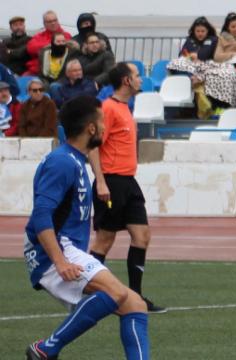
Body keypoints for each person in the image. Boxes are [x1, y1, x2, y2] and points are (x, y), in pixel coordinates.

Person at [23, 95, 150, 360]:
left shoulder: (75, 160)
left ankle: (46, 349)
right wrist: (59, 261)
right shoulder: (62, 162)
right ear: (91, 128)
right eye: (102, 121)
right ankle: (46, 349)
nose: (105, 128)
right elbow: (41, 215)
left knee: (135, 304)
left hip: (66, 248)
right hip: (55, 250)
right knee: (115, 292)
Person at [88, 63, 165, 313]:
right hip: (110, 181)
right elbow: (94, 146)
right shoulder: (108, 108)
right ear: (126, 81)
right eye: (136, 76)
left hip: (128, 182)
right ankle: (85, 291)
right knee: (104, 240)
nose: (141, 79)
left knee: (142, 236)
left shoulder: (124, 107)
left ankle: (136, 297)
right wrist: (100, 181)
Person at [25, 11, 72, 76]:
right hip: (37, 71)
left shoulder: (67, 35)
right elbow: (31, 48)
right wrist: (53, 44)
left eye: (55, 20)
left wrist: (48, 45)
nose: (53, 23)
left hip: (61, 71)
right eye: (49, 21)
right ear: (44, 24)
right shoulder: (39, 36)